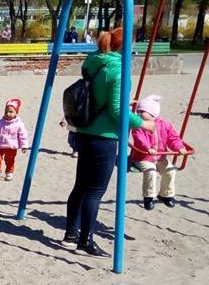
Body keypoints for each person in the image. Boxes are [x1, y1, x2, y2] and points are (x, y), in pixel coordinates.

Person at [63, 28, 156, 256]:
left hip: (84, 130)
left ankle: (71, 235)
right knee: (95, 191)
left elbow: (100, 94)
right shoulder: (119, 69)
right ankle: (86, 240)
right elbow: (116, 110)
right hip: (104, 136)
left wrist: (120, 98)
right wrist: (142, 123)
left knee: (81, 186)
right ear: (126, 46)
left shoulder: (94, 60)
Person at [130, 94, 190, 210]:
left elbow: (173, 138)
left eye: (143, 111)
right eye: (139, 111)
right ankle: (148, 197)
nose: (139, 114)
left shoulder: (165, 125)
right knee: (150, 172)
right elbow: (139, 138)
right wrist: (147, 148)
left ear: (153, 114)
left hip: (160, 157)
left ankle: (165, 195)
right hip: (144, 157)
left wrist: (179, 148)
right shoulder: (139, 125)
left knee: (170, 171)